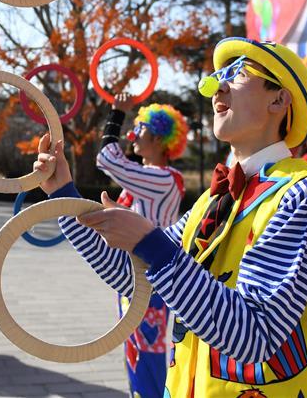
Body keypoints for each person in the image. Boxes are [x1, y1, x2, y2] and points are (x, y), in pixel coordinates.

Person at [33, 37, 307, 396]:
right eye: (218, 75)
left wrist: (150, 242)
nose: (218, 86)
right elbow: (132, 278)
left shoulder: (305, 195)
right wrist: (63, 195)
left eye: (238, 74)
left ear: (278, 99)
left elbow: (255, 334)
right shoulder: (214, 200)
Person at [97, 93, 188, 397]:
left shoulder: (162, 178)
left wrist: (116, 114)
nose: (133, 135)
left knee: (147, 355)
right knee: (134, 352)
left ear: (162, 140)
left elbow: (108, 159)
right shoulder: (150, 179)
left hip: (150, 281)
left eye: (142, 129)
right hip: (134, 279)